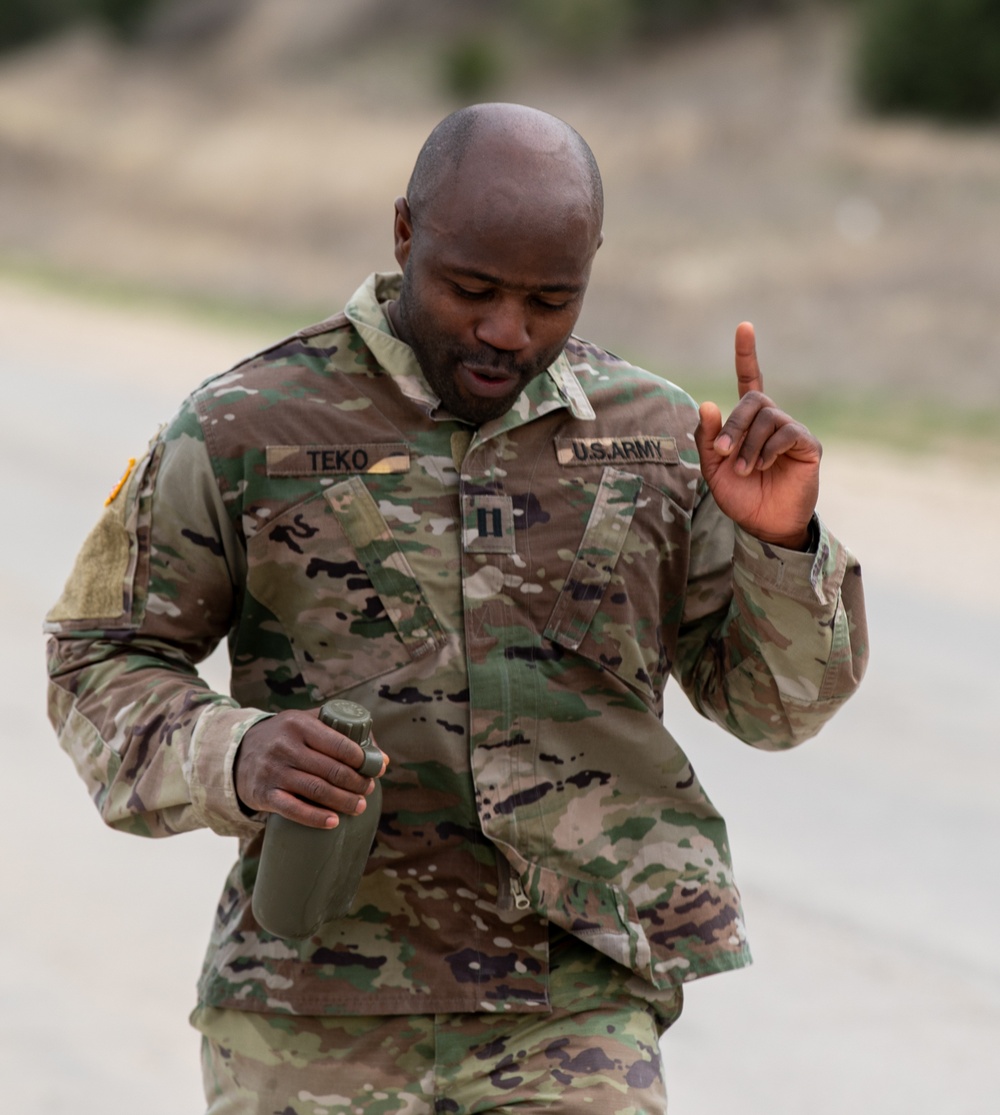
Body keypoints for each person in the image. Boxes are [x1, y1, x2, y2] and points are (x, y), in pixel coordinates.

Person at [45, 103, 867, 1114]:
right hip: (310, 1006)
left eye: (549, 299)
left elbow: (774, 706)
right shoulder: (242, 425)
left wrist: (783, 546)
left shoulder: (657, 439)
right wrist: (233, 751)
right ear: (404, 235)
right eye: (470, 290)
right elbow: (99, 660)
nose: (506, 331)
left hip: (575, 1005)